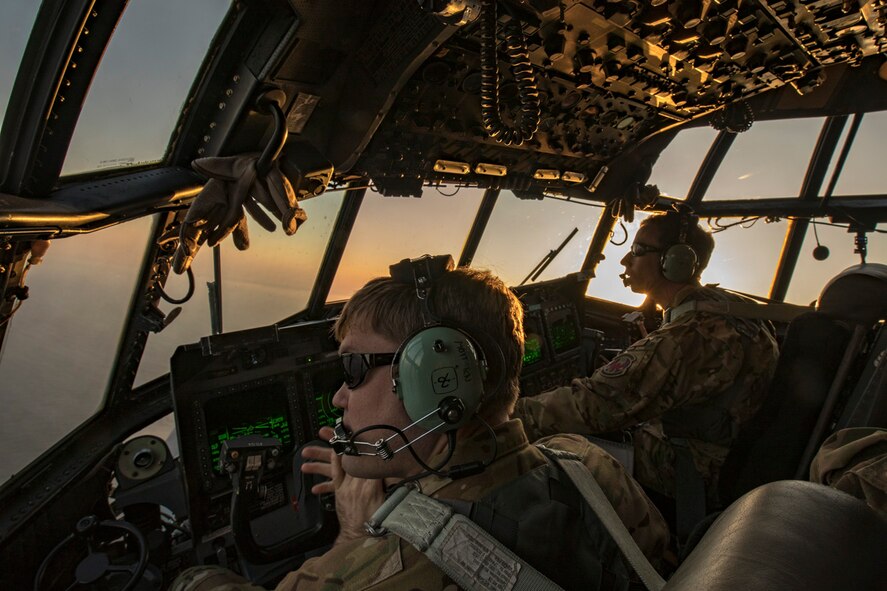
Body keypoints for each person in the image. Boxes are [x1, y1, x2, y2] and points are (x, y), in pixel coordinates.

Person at [171, 255, 669, 590]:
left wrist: (354, 536)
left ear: (436, 380)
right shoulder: (586, 465)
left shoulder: (383, 571)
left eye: (353, 368)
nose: (339, 396)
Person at [512, 211, 779, 506]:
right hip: (735, 456)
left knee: (555, 446)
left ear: (674, 262)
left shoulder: (688, 336)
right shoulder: (732, 308)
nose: (626, 260)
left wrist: (507, 413)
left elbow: (594, 404)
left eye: (639, 250)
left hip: (698, 470)